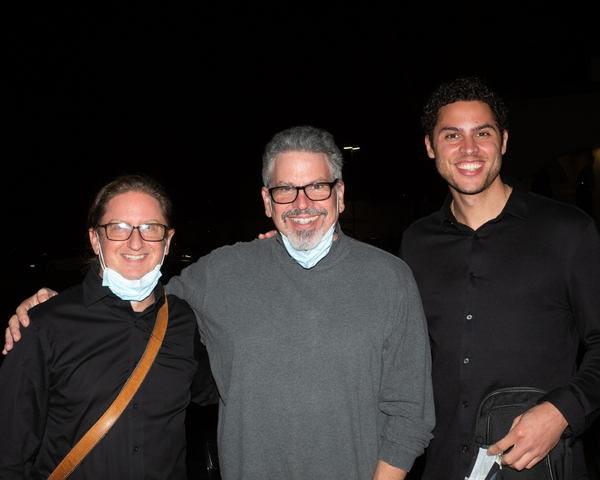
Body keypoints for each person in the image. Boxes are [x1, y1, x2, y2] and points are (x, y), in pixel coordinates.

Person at [5, 126, 436, 480]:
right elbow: (137, 299)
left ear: (340, 194)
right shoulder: (221, 272)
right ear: (267, 201)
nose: (302, 203)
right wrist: (50, 306)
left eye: (316, 187)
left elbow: (410, 415)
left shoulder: (390, 278)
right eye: (285, 189)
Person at [400, 77, 600, 479]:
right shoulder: (415, 243)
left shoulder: (568, 231)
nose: (469, 149)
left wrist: (564, 411)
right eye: (452, 135)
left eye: (483, 134)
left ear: (504, 141)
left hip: (537, 469)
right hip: (442, 466)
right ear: (430, 146)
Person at [0, 175, 216, 479]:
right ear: (94, 239)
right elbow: (9, 453)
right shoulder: (44, 326)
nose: (136, 242)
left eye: (150, 228)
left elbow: (230, 390)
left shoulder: (184, 322)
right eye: (119, 228)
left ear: (167, 241)